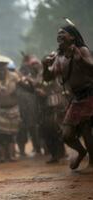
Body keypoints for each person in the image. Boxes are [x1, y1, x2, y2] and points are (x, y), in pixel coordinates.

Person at [43, 20, 93, 170]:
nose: (59, 35)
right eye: (58, 34)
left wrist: (80, 60)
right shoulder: (58, 56)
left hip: (90, 94)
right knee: (67, 135)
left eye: (62, 33)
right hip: (76, 99)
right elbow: (48, 78)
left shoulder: (82, 50)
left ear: (72, 37)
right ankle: (81, 152)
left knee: (85, 129)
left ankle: (92, 163)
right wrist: (45, 66)